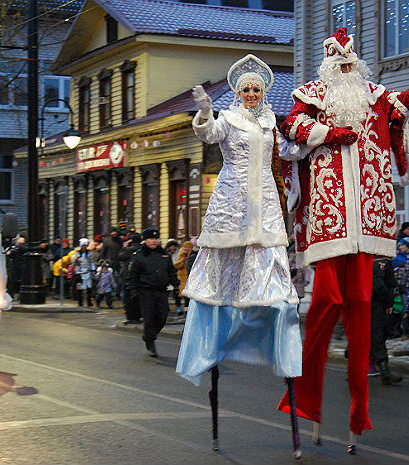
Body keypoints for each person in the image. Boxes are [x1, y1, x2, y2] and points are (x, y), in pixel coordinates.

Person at [275, 27, 409, 452]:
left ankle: (359, 413)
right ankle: (307, 404)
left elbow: (405, 104)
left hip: (368, 219)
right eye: (339, 63)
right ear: (328, 65)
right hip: (330, 217)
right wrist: (325, 133)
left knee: (358, 309)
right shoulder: (312, 93)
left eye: (350, 63)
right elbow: (292, 124)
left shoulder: (375, 95)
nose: (346, 68)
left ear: (358, 66)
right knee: (324, 305)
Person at [176, 54, 303, 456]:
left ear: (263, 92)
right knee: (225, 266)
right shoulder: (228, 120)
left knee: (268, 269)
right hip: (232, 199)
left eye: (256, 89)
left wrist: (315, 137)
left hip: (264, 201)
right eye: (245, 88)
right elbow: (208, 134)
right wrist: (203, 110)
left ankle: (266, 319)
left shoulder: (270, 122)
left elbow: (288, 152)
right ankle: (222, 325)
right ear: (237, 92)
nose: (251, 94)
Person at [127, 227, 178, 357]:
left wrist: (176, 285)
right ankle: (150, 341)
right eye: (151, 238)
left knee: (162, 317)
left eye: (156, 238)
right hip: (146, 291)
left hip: (161, 290)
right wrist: (133, 290)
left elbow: (171, 271)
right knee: (149, 318)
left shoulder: (164, 254)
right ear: (145, 240)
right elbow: (133, 275)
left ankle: (149, 334)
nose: (154, 241)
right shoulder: (139, 256)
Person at [370, 257, 403, 384]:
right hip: (363, 302)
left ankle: (384, 371)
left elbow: (390, 283)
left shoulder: (384, 260)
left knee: (378, 337)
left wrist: (390, 303)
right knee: (362, 336)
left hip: (378, 303)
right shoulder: (362, 257)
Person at [393, 237, 409, 337]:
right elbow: (395, 274)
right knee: (404, 309)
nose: (400, 247)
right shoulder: (397, 258)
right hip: (402, 287)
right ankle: (406, 331)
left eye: (402, 245)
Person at [119, 233, 143, 324]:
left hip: (128, 277)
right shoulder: (142, 249)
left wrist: (124, 247)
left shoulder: (128, 250)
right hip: (140, 278)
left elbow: (119, 256)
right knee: (138, 297)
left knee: (128, 298)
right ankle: (138, 315)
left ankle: (131, 317)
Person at [173, 240, 193, 315]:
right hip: (181, 279)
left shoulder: (193, 255)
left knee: (188, 296)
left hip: (190, 279)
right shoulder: (181, 255)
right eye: (186, 247)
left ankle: (187, 310)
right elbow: (176, 266)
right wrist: (182, 261)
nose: (187, 249)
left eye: (189, 247)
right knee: (180, 294)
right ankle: (180, 309)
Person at [73, 238, 95, 307]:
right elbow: (74, 263)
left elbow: (92, 262)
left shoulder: (89, 254)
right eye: (83, 245)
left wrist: (93, 270)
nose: (84, 247)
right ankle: (80, 302)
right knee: (80, 289)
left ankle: (89, 302)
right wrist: (75, 259)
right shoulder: (77, 254)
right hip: (80, 273)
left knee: (89, 288)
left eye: (85, 245)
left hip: (88, 273)